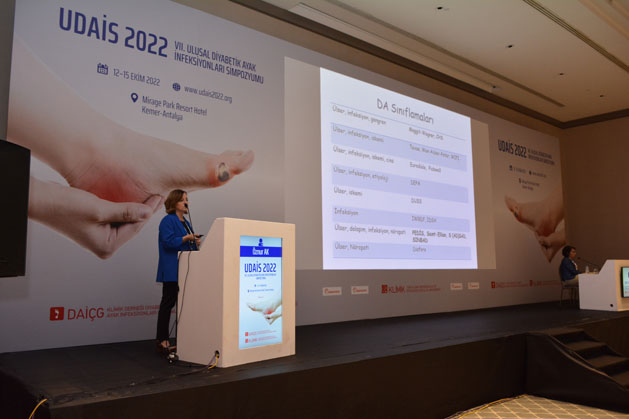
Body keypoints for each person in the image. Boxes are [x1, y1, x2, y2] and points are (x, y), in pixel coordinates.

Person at [155, 189, 201, 354]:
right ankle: (162, 339)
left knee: (184, 304)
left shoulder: (186, 223)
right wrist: (186, 238)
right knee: (168, 304)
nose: (186, 202)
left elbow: (185, 245)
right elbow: (167, 242)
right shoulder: (168, 220)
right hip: (172, 269)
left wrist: (195, 242)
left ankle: (185, 339)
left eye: (187, 199)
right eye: (182, 200)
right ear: (174, 203)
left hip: (185, 270)